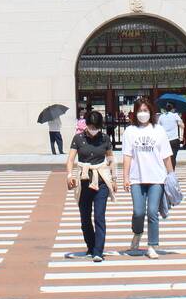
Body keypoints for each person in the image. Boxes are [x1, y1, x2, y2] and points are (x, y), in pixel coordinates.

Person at [120, 97, 174, 259]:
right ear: (135, 113)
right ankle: (137, 233)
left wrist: (171, 176)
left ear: (150, 112)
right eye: (139, 111)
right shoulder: (130, 131)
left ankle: (152, 245)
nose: (142, 114)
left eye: (145, 110)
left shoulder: (159, 130)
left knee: (152, 212)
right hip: (137, 178)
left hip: (157, 178)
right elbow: (127, 156)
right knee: (138, 212)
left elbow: (166, 156)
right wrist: (125, 177)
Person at [66, 110, 116, 262]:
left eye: (96, 127)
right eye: (90, 126)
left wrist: (114, 179)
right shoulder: (78, 138)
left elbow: (111, 159)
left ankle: (98, 251)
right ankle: (91, 245)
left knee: (99, 216)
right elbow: (70, 159)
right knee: (85, 218)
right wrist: (69, 175)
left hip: (101, 181)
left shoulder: (105, 138)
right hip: (84, 180)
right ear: (86, 125)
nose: (93, 129)